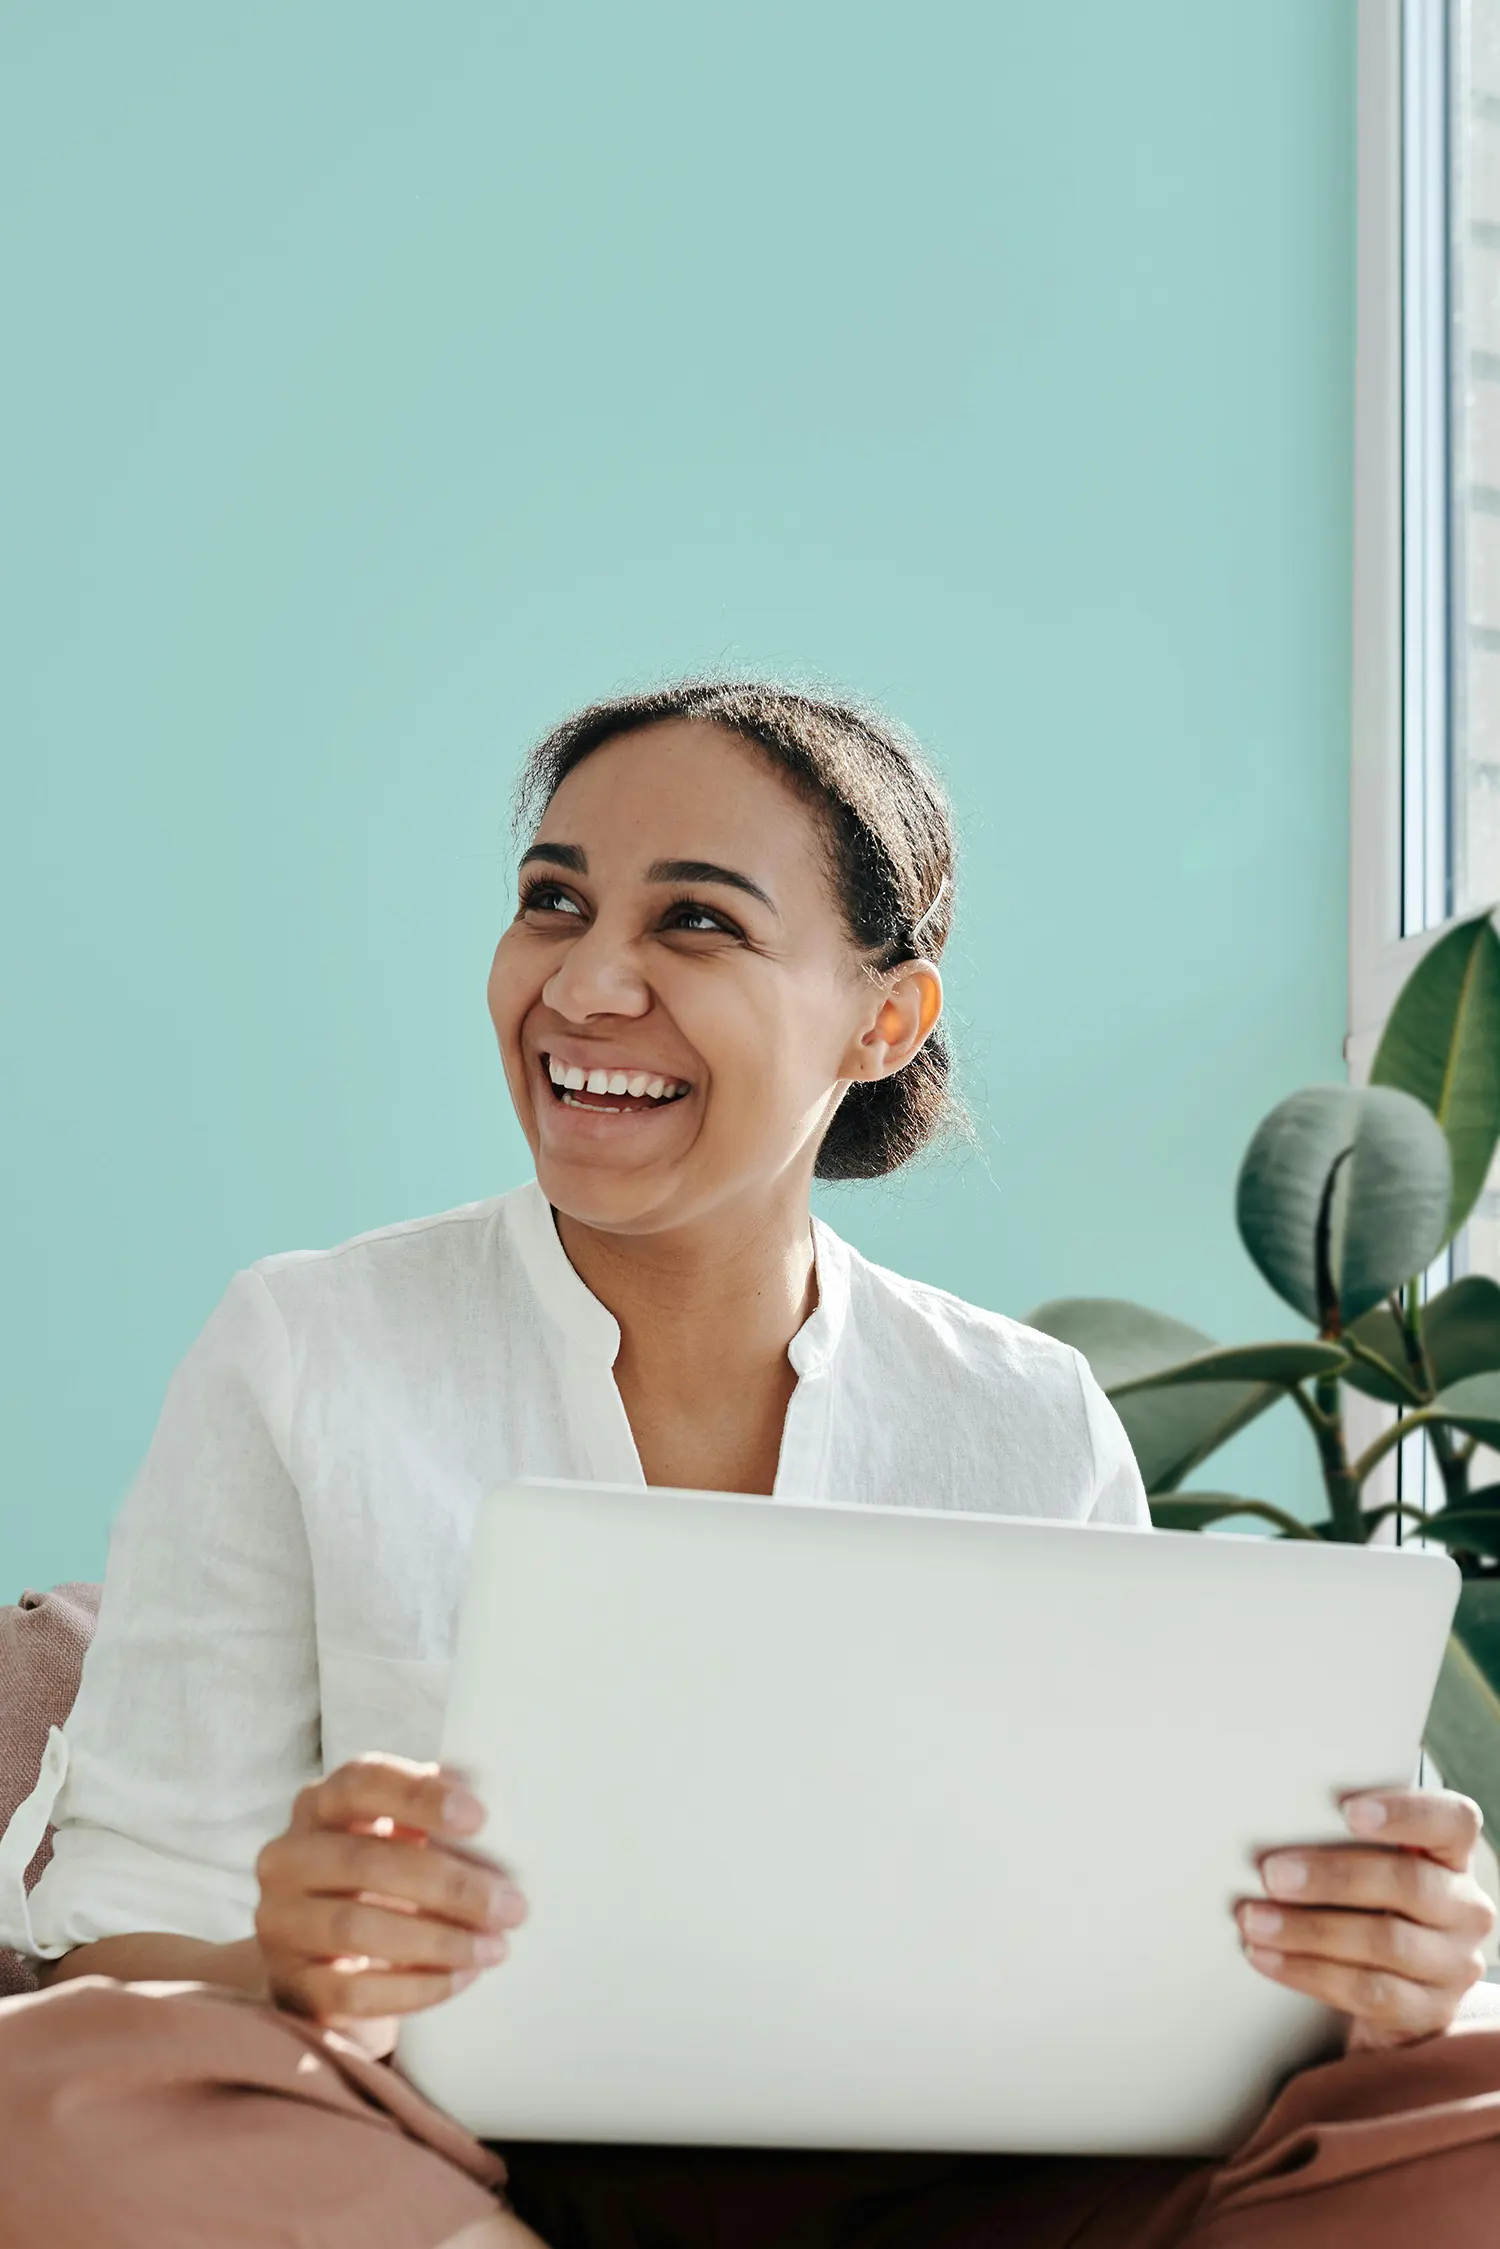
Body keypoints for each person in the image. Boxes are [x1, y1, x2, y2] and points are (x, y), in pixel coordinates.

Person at [1, 679, 1497, 2249]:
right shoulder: (309, 1347)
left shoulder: (1028, 1411)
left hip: (972, 2193)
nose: (584, 982)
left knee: (1474, 2113)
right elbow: (121, 1945)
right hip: (445, 2179)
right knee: (52, 2091)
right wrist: (288, 1964)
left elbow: (1156, 1951)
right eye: (551, 902)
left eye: (695, 924)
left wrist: (1400, 1960)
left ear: (884, 1018)